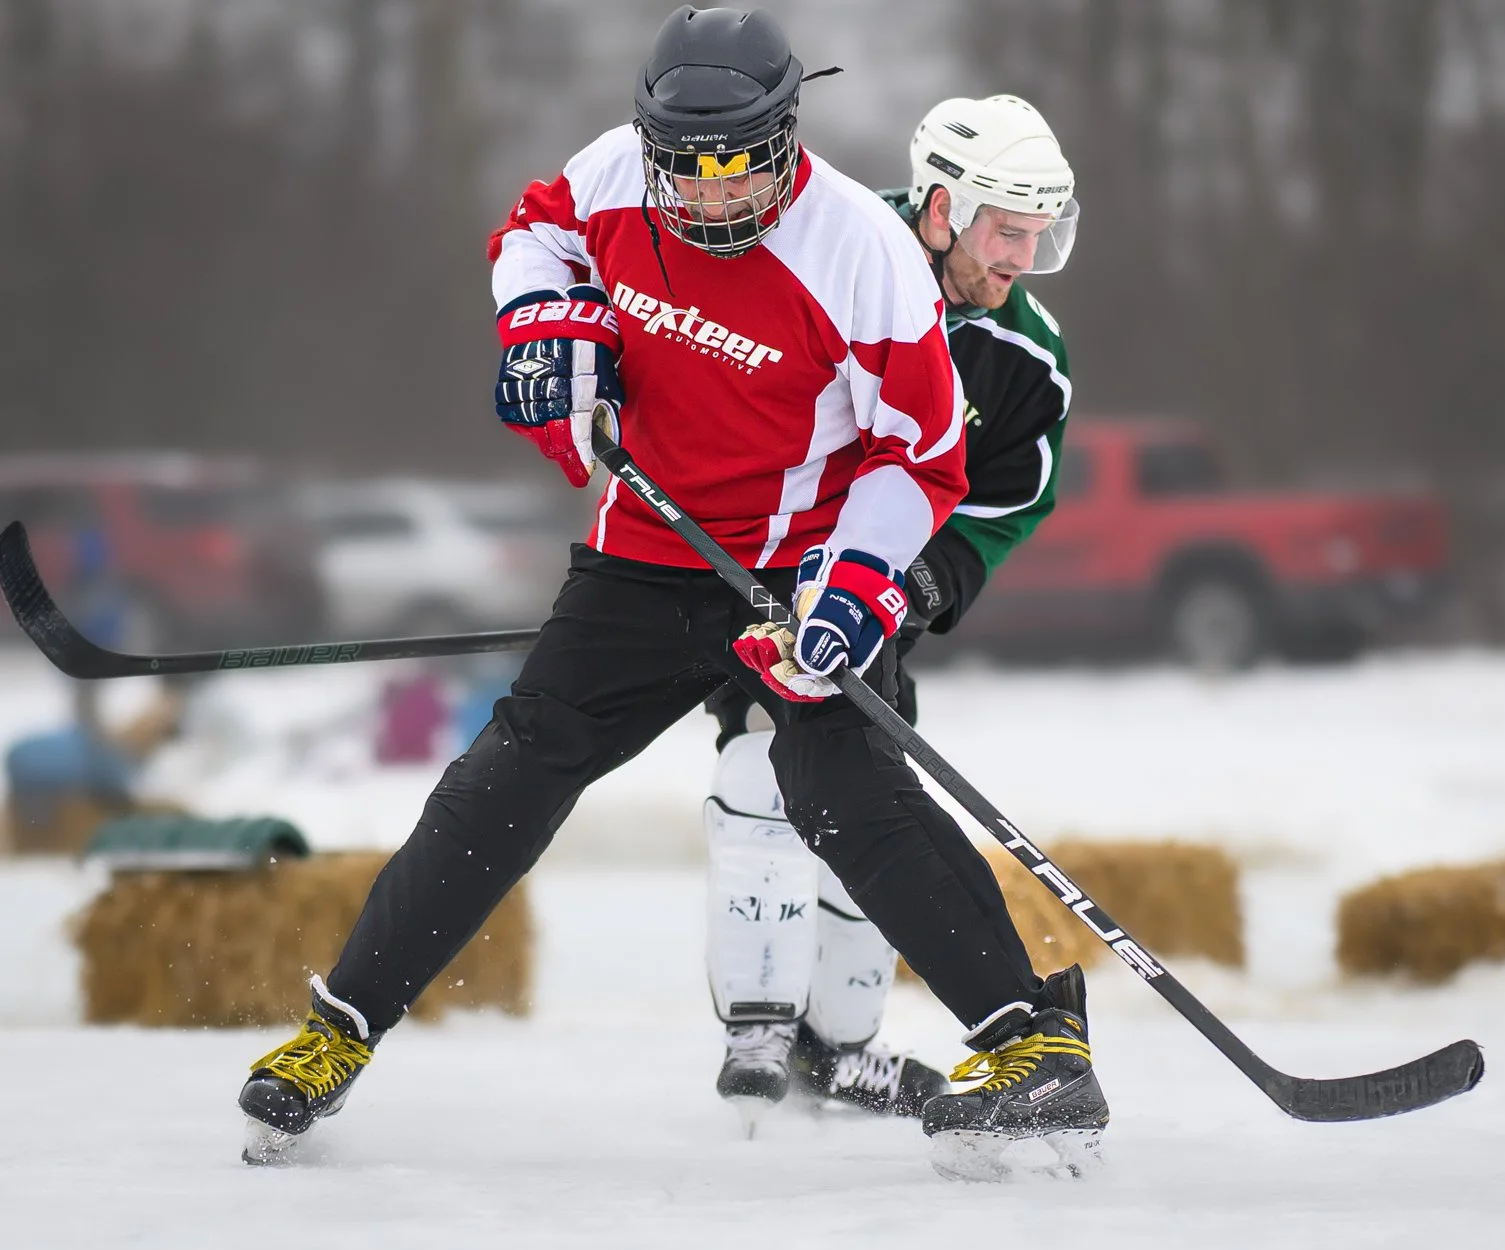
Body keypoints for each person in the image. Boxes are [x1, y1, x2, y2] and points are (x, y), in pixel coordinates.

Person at [234, 6, 1107, 1181]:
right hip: (642, 556)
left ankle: (1032, 1043)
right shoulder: (611, 174)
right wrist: (543, 322)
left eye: (738, 164)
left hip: (794, 572)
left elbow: (922, 456)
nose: (707, 192)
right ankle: (336, 1028)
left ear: (785, 135)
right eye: (684, 168)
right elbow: (532, 237)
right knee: (511, 769)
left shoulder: (861, 250)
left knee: (839, 783)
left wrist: (855, 590)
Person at [701, 94, 1081, 1136]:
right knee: (758, 768)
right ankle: (761, 1024)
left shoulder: (1025, 356)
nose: (1025, 259)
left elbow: (1006, 503)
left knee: (872, 806)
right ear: (944, 206)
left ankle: (842, 1045)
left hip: (870, 612)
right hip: (744, 579)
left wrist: (919, 583)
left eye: (1043, 234)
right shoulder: (822, 253)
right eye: (1010, 231)